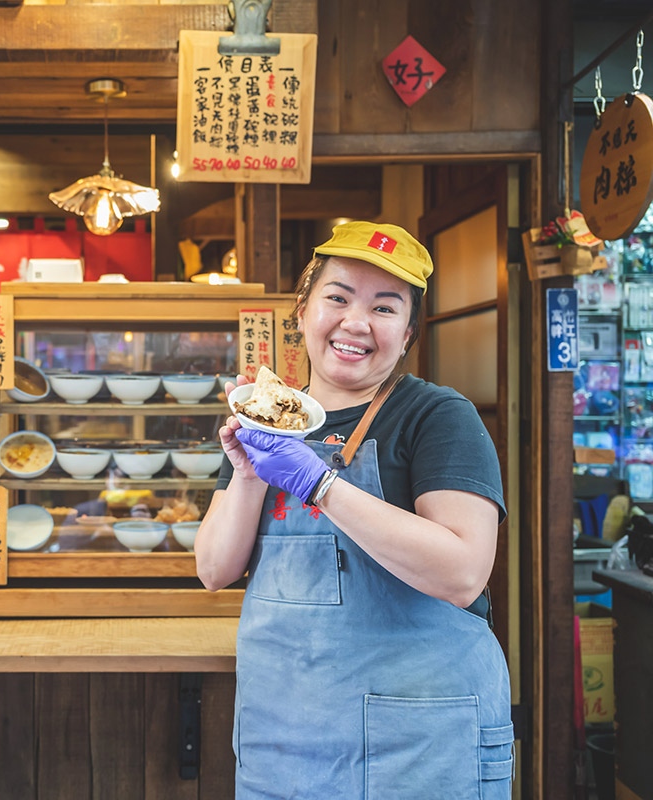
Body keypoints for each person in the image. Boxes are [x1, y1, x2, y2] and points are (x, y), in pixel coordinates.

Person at [195, 221, 513, 798]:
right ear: (302, 309)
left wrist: (320, 484)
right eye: (337, 297)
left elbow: (463, 574)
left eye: (385, 308)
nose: (356, 323)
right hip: (284, 744)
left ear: (409, 332)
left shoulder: (437, 416)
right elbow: (214, 569)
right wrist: (247, 473)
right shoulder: (270, 417)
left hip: (420, 747)